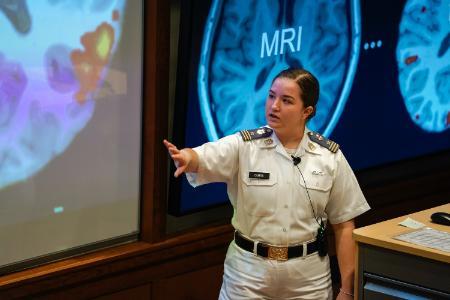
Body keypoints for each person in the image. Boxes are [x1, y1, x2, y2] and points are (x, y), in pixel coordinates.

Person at [164, 68, 370, 299]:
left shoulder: (329, 156)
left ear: (307, 111)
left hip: (308, 280)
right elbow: (201, 157)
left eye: (286, 100)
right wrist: (186, 158)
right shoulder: (244, 146)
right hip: (248, 276)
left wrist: (346, 290)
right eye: (271, 96)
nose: (274, 106)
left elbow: (344, 225)